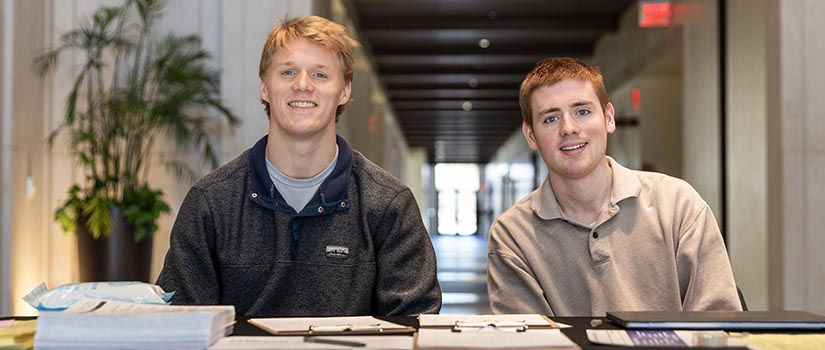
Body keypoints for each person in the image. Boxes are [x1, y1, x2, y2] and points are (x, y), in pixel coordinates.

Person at [157, 16, 441, 317]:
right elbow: (179, 325)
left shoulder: (389, 205)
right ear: (265, 87)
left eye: (320, 75)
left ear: (344, 91)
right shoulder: (211, 203)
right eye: (288, 72)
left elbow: (413, 325)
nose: (302, 85)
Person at [487, 57, 741, 316]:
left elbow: (718, 328)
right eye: (550, 119)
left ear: (609, 118)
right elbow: (530, 342)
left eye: (582, 112)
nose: (569, 128)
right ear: (531, 135)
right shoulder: (513, 235)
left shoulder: (678, 205)